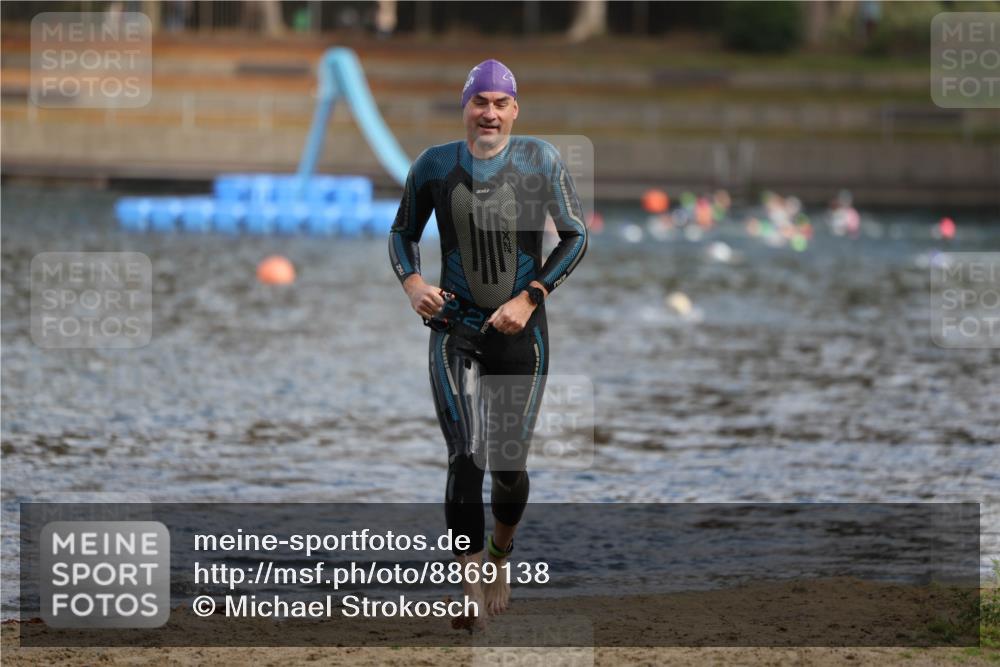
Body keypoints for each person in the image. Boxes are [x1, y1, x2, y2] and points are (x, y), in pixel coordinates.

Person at [388, 59, 588, 629]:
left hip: (521, 329)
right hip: (454, 326)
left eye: (502, 103)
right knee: (464, 453)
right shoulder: (433, 165)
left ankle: (500, 555)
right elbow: (401, 232)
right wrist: (413, 284)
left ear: (515, 111)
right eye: (481, 101)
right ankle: (469, 580)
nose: (490, 112)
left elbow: (576, 235)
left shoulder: (540, 161)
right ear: (466, 107)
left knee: (507, 463)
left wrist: (530, 297)